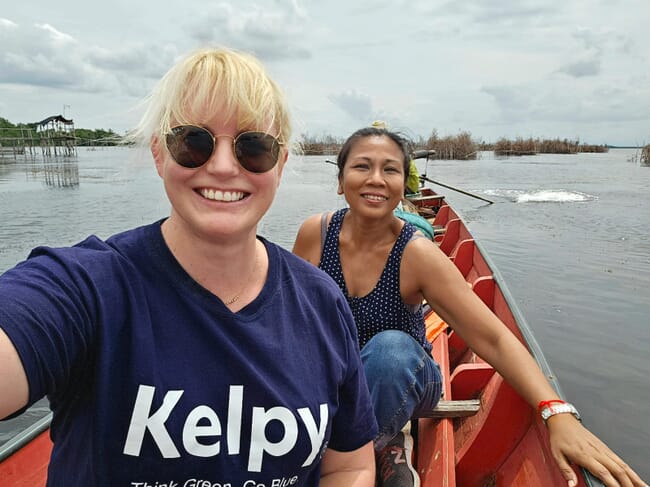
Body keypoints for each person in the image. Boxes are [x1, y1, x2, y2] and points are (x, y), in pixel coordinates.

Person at [0, 47, 377, 486]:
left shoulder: (320, 302)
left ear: (280, 165)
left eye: (253, 147)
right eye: (192, 142)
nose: (221, 167)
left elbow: (349, 464)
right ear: (160, 154)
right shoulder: (89, 288)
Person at [292, 126, 647, 487]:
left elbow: (492, 338)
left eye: (390, 170)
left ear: (402, 186)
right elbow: (291, 326)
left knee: (391, 350)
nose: (376, 179)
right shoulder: (315, 235)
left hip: (405, 376)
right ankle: (348, 442)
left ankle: (366, 447)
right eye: (362, 167)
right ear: (340, 181)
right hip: (343, 377)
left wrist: (556, 412)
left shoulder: (416, 254)